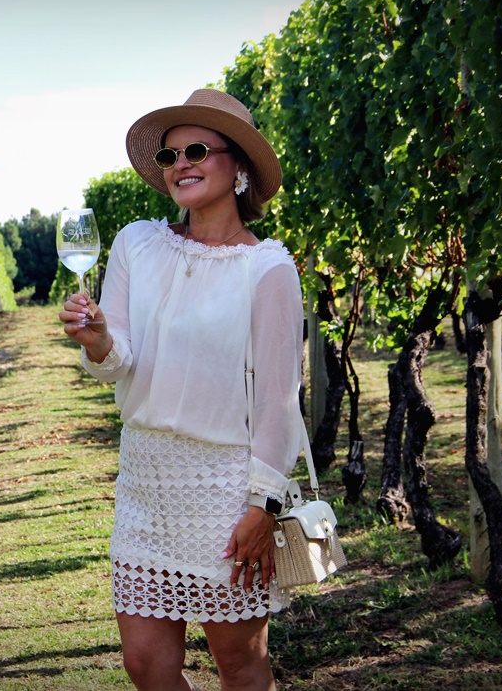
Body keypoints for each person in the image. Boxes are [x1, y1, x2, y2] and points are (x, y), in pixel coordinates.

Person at [60, 89, 304, 691]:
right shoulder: (137, 243)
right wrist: (97, 340)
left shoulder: (268, 269)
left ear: (238, 165)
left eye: (197, 150)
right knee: (146, 665)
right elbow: (117, 359)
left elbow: (279, 401)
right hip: (143, 480)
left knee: (239, 667)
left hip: (224, 490)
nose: (180, 165)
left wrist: (263, 505)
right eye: (170, 156)